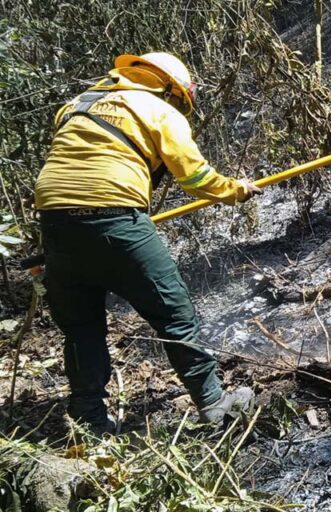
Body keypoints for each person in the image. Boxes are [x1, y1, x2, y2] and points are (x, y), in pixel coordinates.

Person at [33, 52, 260, 435]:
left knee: (81, 326)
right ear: (172, 91)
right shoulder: (159, 110)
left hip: (55, 226)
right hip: (116, 218)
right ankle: (213, 402)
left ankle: (88, 419)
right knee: (174, 312)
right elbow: (196, 178)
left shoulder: (76, 106)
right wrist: (237, 190)